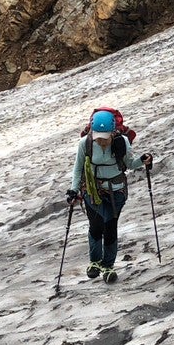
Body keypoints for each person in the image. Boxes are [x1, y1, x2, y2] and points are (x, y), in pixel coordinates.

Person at [66, 110, 152, 284]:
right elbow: (78, 169)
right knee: (96, 227)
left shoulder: (123, 142)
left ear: (113, 132)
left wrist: (143, 160)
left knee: (110, 227)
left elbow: (129, 164)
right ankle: (95, 262)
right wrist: (73, 190)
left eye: (105, 137)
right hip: (92, 192)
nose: (101, 140)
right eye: (98, 136)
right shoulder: (85, 143)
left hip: (116, 193)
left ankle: (108, 265)